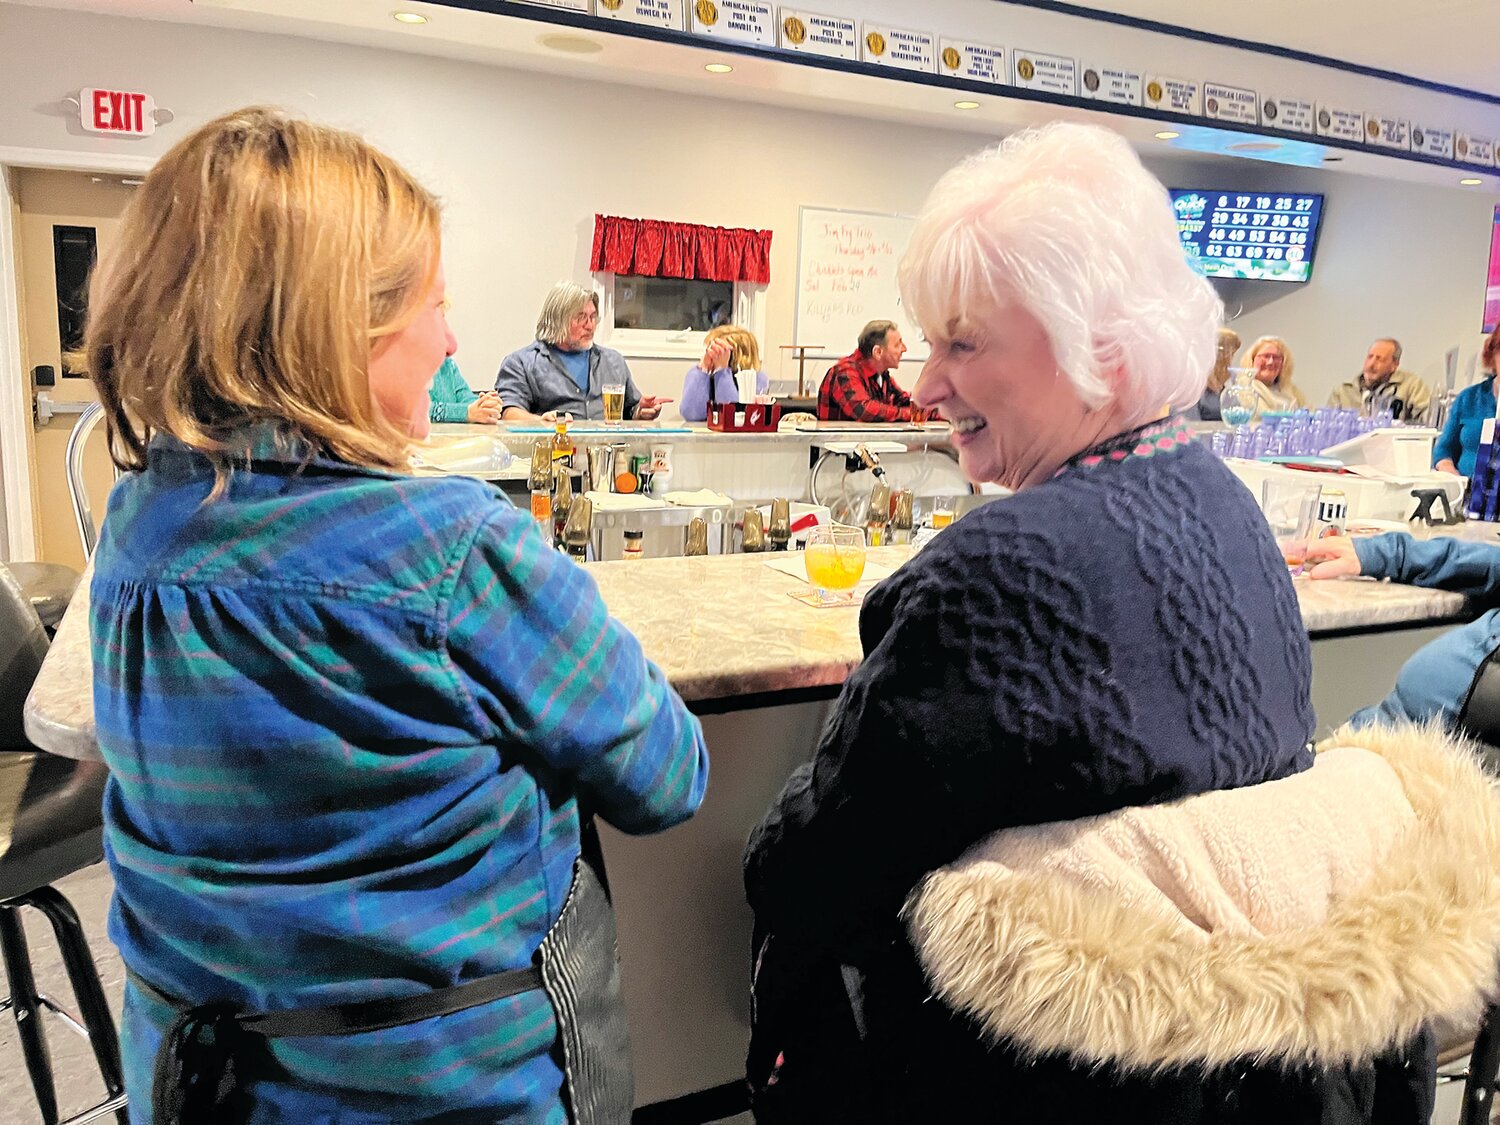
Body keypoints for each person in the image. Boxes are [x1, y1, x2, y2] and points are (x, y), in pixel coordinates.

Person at [743, 122, 1445, 1123]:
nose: (924, 382)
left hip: (1045, 1088)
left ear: (1096, 351)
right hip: (1253, 1077)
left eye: (963, 343)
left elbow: (809, 871)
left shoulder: (999, 571)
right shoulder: (1228, 505)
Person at [84, 106, 708, 1122]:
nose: (451, 339)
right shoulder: (457, 548)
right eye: (434, 304)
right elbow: (668, 777)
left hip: (204, 1081)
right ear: (342, 327)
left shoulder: (137, 526)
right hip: (444, 1085)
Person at [495, 281, 671, 422]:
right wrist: (541, 421)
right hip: (554, 454)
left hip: (607, 456)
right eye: (581, 318)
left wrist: (642, 411)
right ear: (558, 320)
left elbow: (630, 409)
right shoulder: (521, 363)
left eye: (593, 317)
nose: (590, 325)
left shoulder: (613, 361)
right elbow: (508, 412)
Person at [816, 319, 916, 422]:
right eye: (897, 345)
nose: (904, 349)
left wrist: (927, 407)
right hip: (842, 438)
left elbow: (904, 400)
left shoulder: (882, 375)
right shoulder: (844, 372)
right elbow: (864, 410)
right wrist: (908, 414)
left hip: (866, 438)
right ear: (877, 352)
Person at [1434, 324, 1500, 476]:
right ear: (1492, 354)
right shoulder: (1468, 398)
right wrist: (1453, 479)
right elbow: (1444, 450)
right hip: (1467, 494)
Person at [1326, 337, 1434, 422]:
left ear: (1394, 365)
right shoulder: (1343, 391)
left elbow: (1428, 416)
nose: (1371, 364)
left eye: (1379, 359)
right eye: (1370, 357)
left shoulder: (1411, 385)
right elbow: (1327, 424)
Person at [679, 324, 769, 421]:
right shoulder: (697, 373)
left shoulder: (754, 378)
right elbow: (691, 414)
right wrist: (703, 368)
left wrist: (722, 371)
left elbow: (733, 416)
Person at [1240, 334, 1309, 414]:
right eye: (1265, 356)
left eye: (1276, 358)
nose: (1270, 362)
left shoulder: (1291, 389)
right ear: (1252, 359)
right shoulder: (1244, 388)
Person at [427, 355, 502, 423]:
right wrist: (465, 413)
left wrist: (484, 406)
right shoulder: (416, 361)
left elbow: (465, 395)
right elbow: (417, 410)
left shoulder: (447, 363)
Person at [1189, 325, 1240, 421]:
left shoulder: (1226, 387)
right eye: (1228, 353)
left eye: (1232, 354)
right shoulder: (1193, 389)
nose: (1230, 360)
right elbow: (1191, 428)